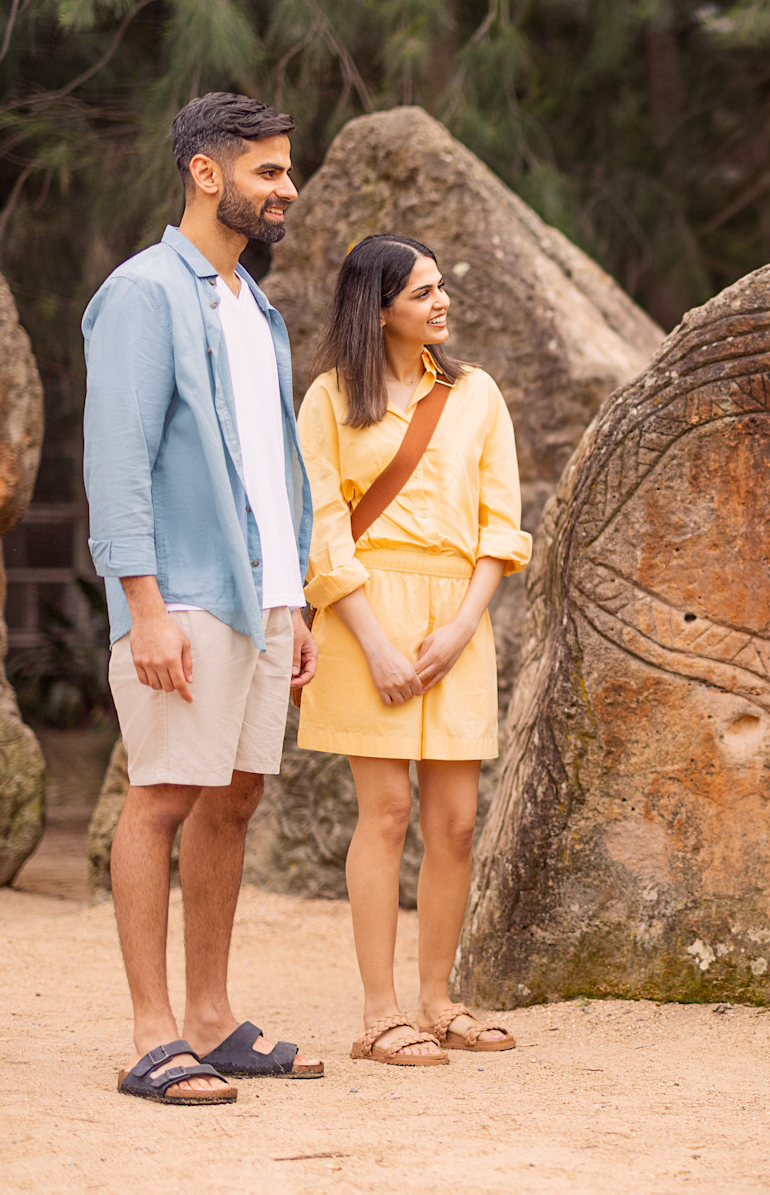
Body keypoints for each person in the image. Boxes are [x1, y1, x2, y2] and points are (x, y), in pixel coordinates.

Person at [84, 92, 324, 1105]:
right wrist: (142, 605)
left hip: (262, 597)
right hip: (179, 594)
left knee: (234, 799)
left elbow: (271, 465)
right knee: (162, 797)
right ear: (205, 172)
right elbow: (116, 459)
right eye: (268, 170)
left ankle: (212, 1020)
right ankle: (151, 1036)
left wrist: (295, 596)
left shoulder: (250, 306)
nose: (287, 188)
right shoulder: (144, 294)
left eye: (286, 170)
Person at [296, 234, 532, 1065]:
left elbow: (500, 524)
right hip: (365, 614)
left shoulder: (476, 394)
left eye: (442, 286)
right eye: (423, 292)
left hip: (458, 616)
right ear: (379, 306)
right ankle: (379, 1012)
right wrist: (373, 641)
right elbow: (322, 526)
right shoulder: (329, 398)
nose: (442, 302)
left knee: (458, 823)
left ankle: (438, 1000)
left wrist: (467, 622)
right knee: (387, 812)